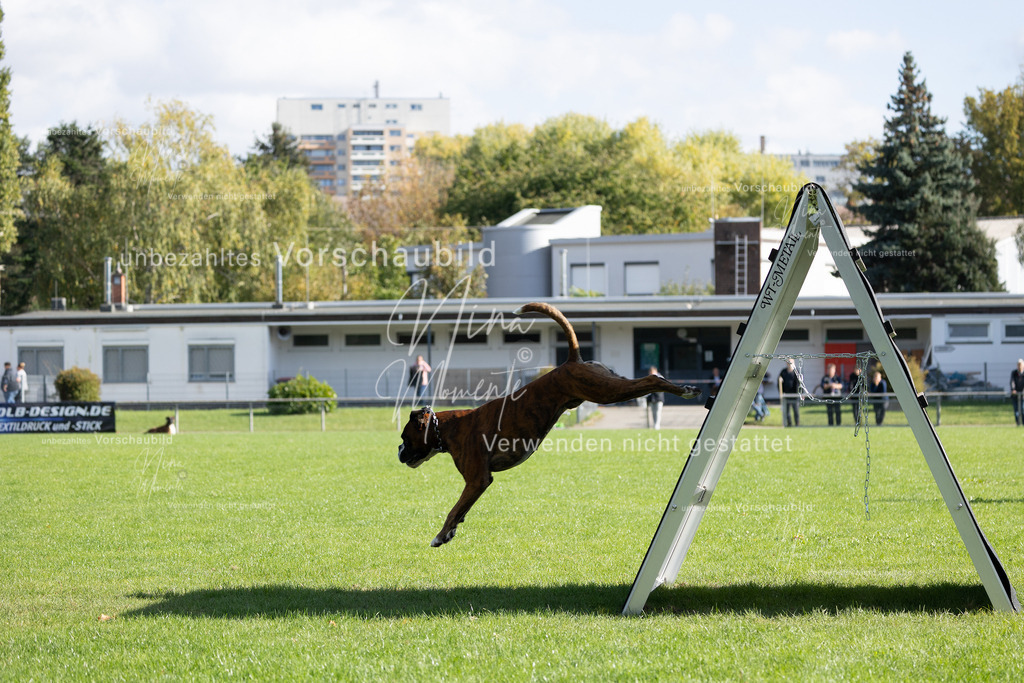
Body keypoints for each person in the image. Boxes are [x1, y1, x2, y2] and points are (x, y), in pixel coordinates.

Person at [778, 358, 800, 427]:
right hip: (786, 394)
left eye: (791, 363)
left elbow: (799, 384)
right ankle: (789, 424)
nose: (789, 364)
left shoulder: (796, 372)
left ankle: (797, 424)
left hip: (794, 395)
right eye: (788, 363)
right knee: (787, 411)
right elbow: (779, 382)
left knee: (796, 410)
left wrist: (799, 393)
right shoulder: (783, 372)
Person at [1011, 359, 1024, 427]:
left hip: (1023, 396)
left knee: (1023, 409)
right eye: (1018, 365)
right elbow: (1012, 382)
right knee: (1016, 411)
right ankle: (1018, 423)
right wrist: (1013, 389)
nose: (1019, 366)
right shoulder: (1014, 373)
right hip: (1015, 395)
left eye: (1021, 365)